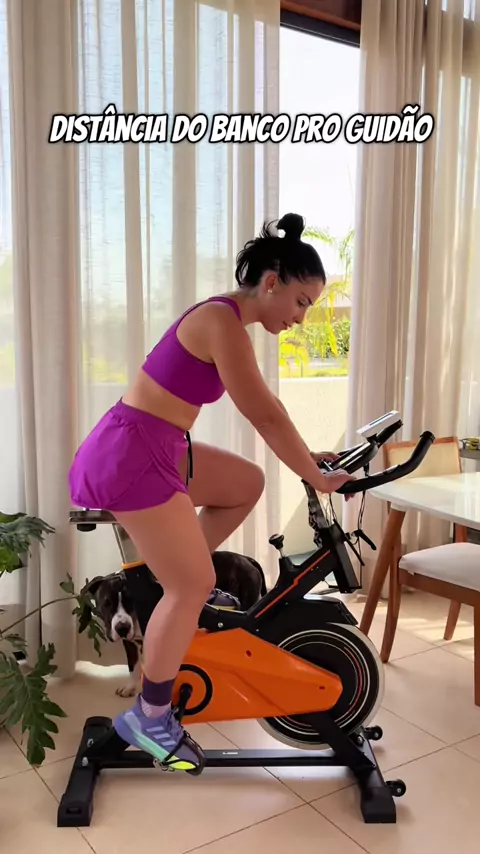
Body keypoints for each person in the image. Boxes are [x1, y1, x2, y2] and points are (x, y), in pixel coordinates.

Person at [69, 212, 356, 773]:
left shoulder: (225, 320)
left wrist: (309, 457)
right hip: (132, 454)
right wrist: (315, 477)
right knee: (195, 583)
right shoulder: (221, 322)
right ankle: (151, 715)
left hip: (158, 445)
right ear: (270, 282)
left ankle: (174, 588)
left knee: (247, 482)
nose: (301, 318)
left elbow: (270, 412)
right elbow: (265, 415)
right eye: (301, 302)